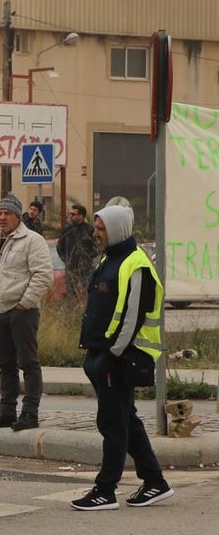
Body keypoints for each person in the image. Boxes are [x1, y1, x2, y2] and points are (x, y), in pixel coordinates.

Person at [70, 205, 174, 511]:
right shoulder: (110, 259)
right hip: (103, 355)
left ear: (116, 230)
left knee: (113, 424)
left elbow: (133, 317)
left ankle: (105, 490)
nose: (95, 233)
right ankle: (155, 481)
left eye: (101, 228)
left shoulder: (136, 264)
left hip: (120, 358)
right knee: (126, 419)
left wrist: (111, 355)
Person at [0, 194, 52, 431]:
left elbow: (43, 275)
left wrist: (24, 303)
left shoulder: (33, 240)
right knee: (5, 364)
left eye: (7, 213)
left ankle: (30, 412)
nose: (2, 217)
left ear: (17, 216)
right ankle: (7, 411)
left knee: (28, 362)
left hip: (22, 311)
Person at [57, 203, 97, 301]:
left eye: (73, 214)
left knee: (86, 293)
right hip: (70, 269)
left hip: (85, 269)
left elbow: (97, 247)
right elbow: (60, 246)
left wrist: (87, 258)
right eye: (70, 214)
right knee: (71, 295)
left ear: (81, 216)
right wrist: (66, 260)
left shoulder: (89, 230)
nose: (71, 216)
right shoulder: (67, 230)